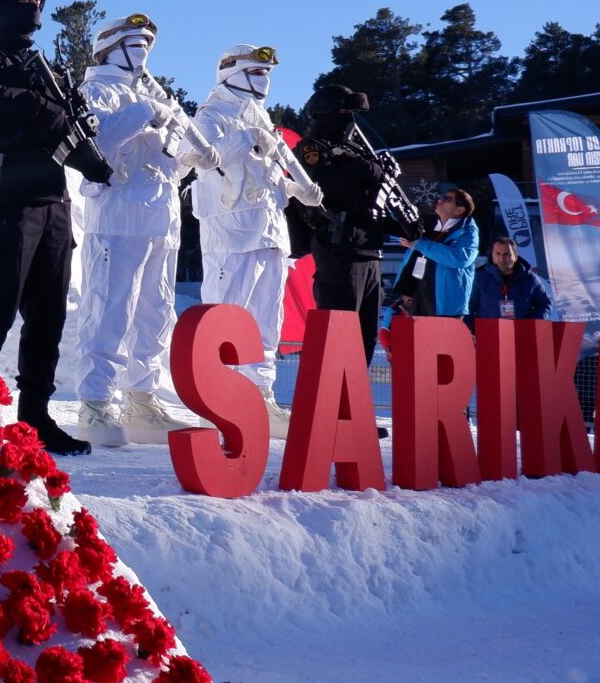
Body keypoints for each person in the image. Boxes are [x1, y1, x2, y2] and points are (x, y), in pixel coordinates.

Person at [0, 0, 113, 457]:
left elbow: (67, 123)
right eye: (23, 0)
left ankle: (35, 419)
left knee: (47, 318)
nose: (32, 9)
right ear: (0, 6)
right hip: (8, 202)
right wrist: (44, 110)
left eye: (38, 3)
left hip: (52, 203)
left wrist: (80, 143)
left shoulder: (51, 69)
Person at [73, 13, 219, 446]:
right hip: (118, 216)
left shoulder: (151, 95)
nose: (142, 54)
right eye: (134, 44)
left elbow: (172, 160)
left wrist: (193, 154)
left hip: (161, 217)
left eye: (147, 46)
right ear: (109, 48)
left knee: (154, 312)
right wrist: (145, 111)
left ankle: (142, 399)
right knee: (110, 308)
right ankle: (96, 403)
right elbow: (95, 143)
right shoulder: (95, 90)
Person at [188, 43, 323, 433]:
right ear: (233, 74)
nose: (264, 81)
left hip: (268, 231)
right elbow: (193, 156)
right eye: (257, 72)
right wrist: (243, 141)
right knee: (225, 317)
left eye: (267, 74)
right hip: (230, 233)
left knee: (267, 320)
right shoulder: (212, 114)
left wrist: (299, 191)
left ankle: (259, 394)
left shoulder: (262, 119)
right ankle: (215, 398)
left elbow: (269, 179)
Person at [295, 84, 409, 364]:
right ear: (325, 113)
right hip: (340, 250)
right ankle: (330, 403)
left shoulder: (358, 149)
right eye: (344, 111)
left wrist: (403, 224)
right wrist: (363, 170)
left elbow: (369, 207)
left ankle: (352, 402)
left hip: (370, 251)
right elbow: (316, 188)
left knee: (365, 338)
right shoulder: (312, 148)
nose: (349, 119)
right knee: (338, 335)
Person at [390, 187, 479, 319]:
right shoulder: (426, 226)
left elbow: (460, 259)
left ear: (459, 210)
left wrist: (421, 245)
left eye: (447, 199)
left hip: (446, 305)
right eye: (442, 197)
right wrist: (406, 289)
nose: (440, 200)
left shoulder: (468, 231)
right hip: (418, 298)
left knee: (443, 339)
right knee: (420, 339)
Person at [466, 237, 552, 327]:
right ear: (492, 255)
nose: (501, 258)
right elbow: (468, 307)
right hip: (489, 333)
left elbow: (545, 303)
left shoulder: (530, 279)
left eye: (506, 254)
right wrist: (472, 329)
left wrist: (532, 324)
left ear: (515, 256)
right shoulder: (480, 278)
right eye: (498, 254)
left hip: (522, 333)